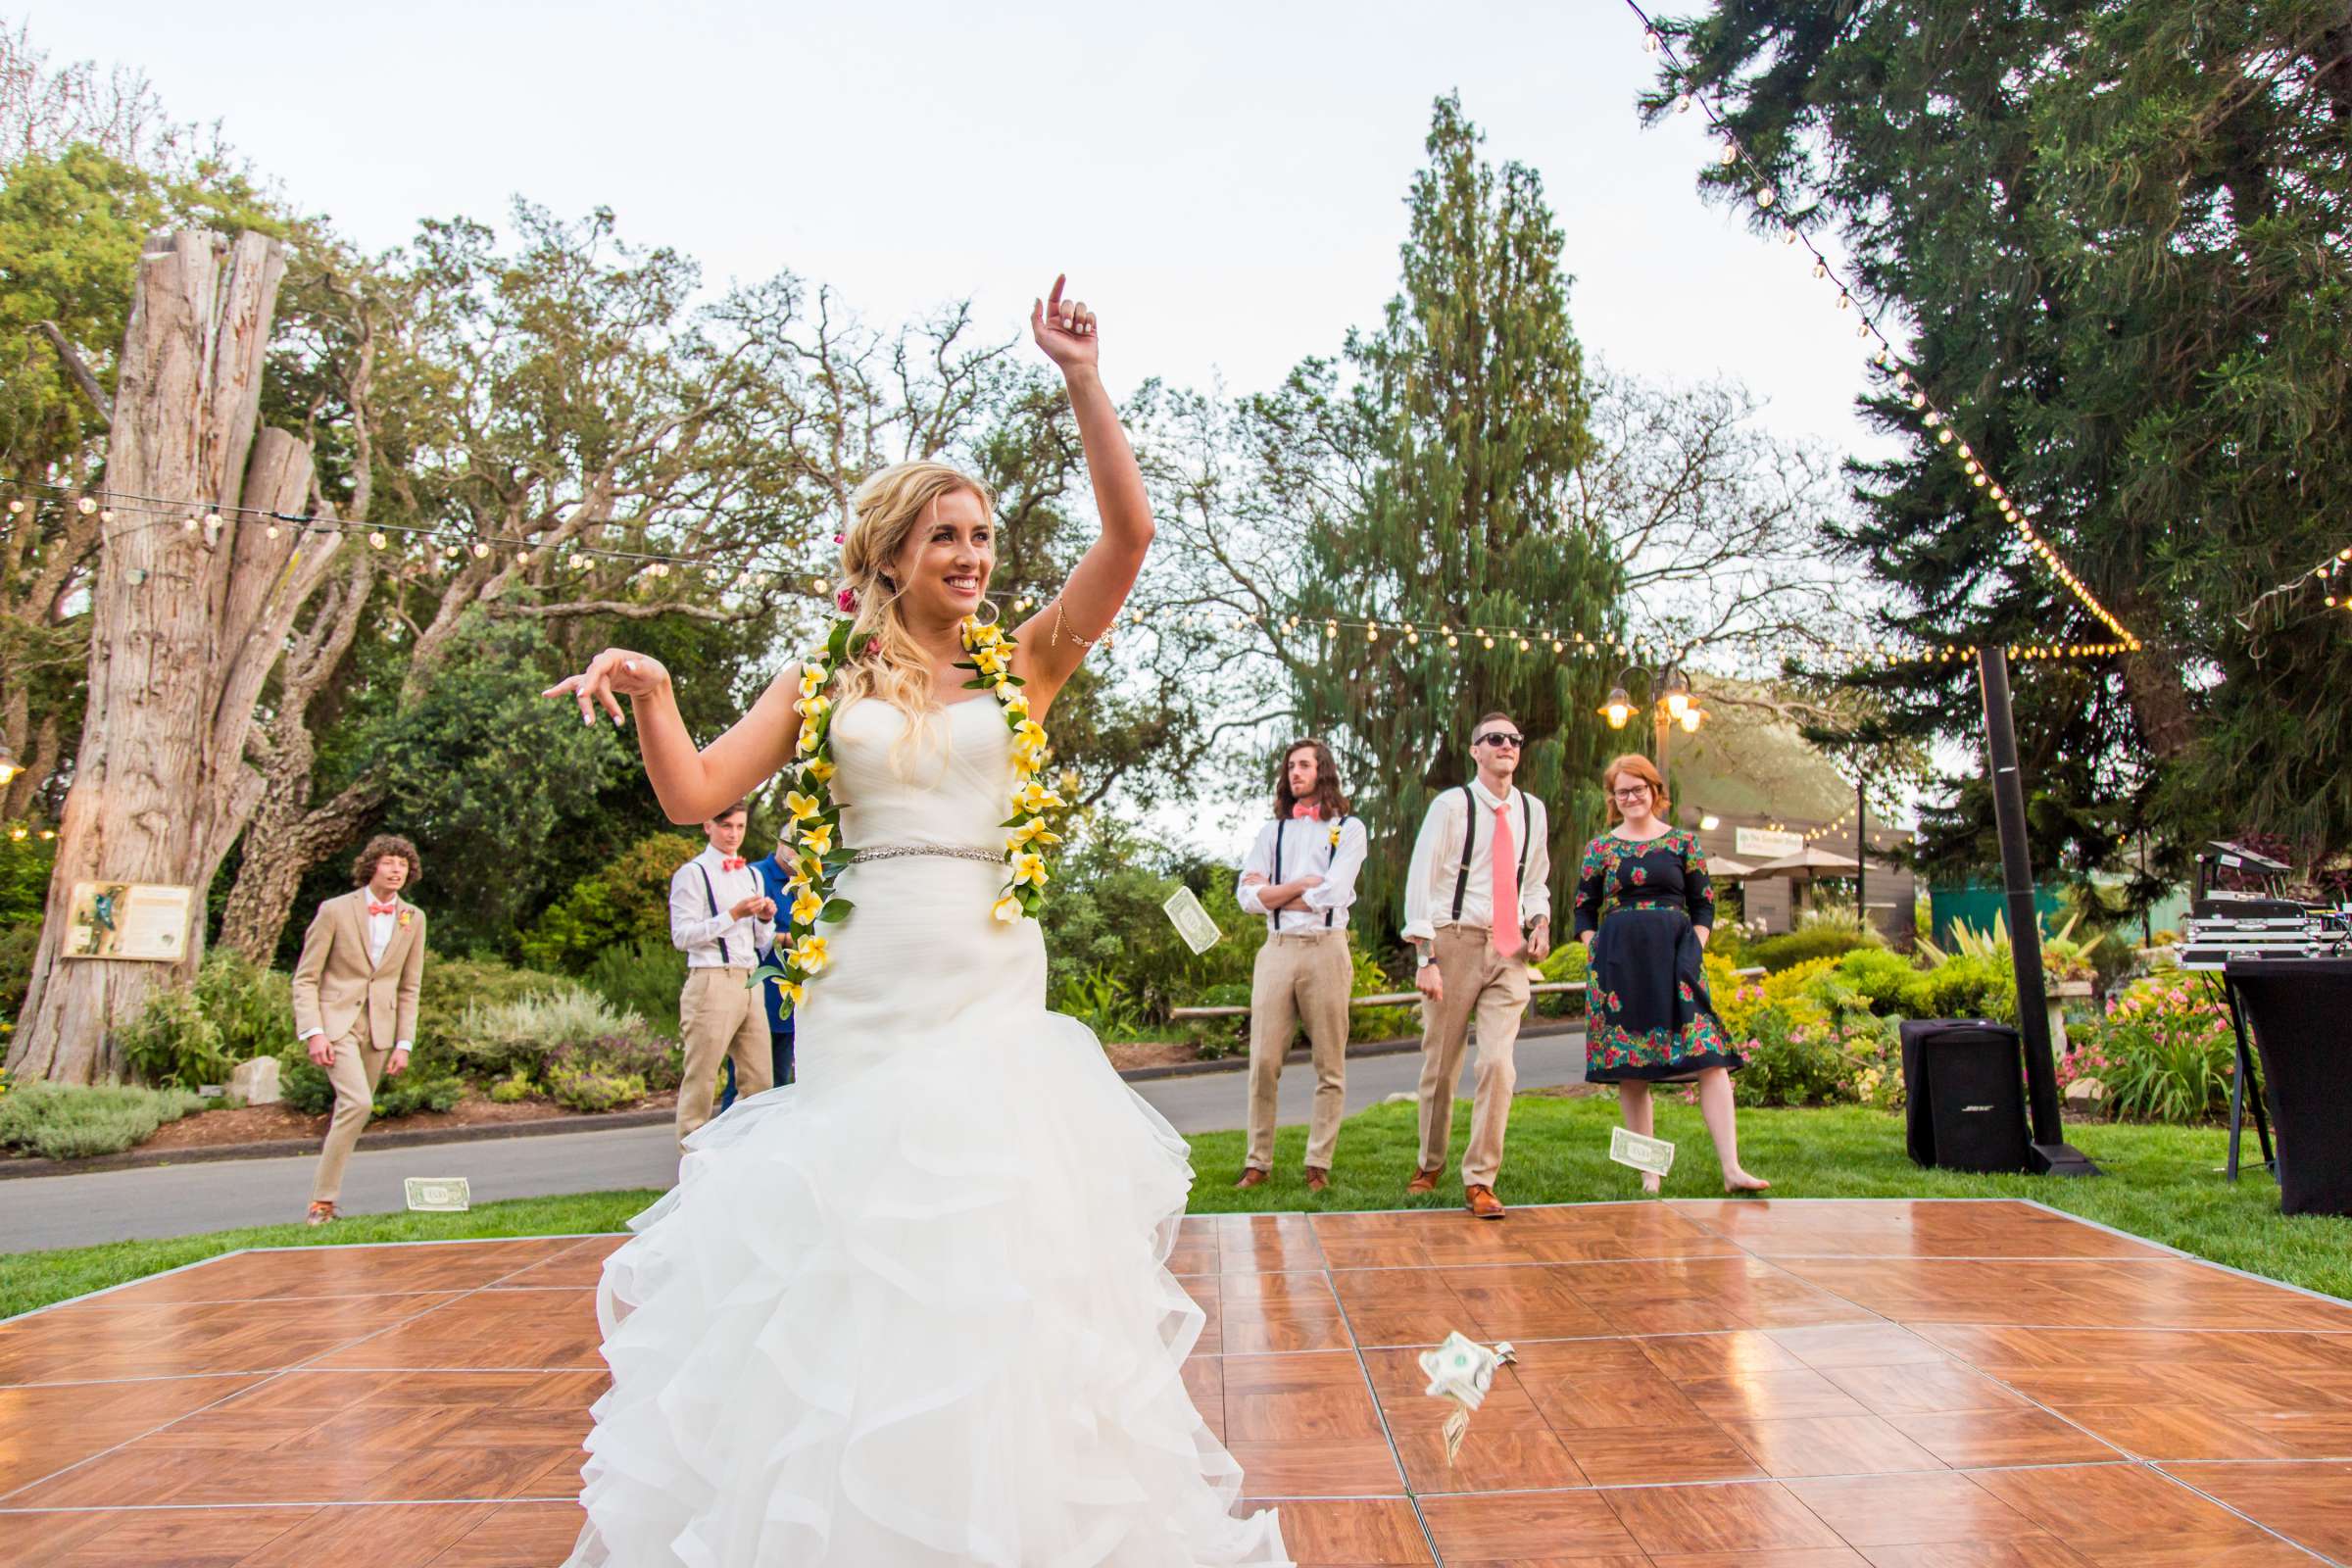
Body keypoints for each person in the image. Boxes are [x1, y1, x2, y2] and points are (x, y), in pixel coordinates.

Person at [543, 277, 1289, 1567]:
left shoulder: (1028, 664)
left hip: (989, 982)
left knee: (993, 1251)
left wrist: (1082, 380)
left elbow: (1127, 542)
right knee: (862, 1254)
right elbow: (696, 792)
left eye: (985, 537)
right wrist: (658, 691)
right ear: (889, 554)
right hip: (863, 984)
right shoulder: (822, 677)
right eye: (947, 536)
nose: (973, 558)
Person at [1575, 753, 1769, 1196]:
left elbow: (1704, 902)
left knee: (1711, 1058)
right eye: (1621, 791)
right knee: (1632, 1069)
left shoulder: (1683, 843)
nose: (1630, 798)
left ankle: (1732, 1169)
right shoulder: (1600, 849)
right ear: (1614, 798)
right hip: (1619, 966)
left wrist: (1694, 946)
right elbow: (1583, 910)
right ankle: (1650, 1176)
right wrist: (1596, 951)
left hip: (1679, 960)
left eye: (1638, 789)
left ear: (1655, 792)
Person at [1400, 711, 1552, 1220]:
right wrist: (1426, 957)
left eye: (1514, 738)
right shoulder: (1451, 806)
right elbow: (1421, 880)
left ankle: (1481, 1179)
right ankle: (1429, 1163)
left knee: (1498, 1066)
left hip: (1507, 948)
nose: (1506, 745)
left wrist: (1540, 920)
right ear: (1475, 750)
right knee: (1442, 1066)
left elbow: (1534, 880)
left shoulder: (1532, 810)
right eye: (1495, 739)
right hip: (1454, 941)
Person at [1233, 738, 1367, 1194]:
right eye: (1291, 766)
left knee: (1329, 1063)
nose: (1295, 773)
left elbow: (1333, 892)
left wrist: (1275, 890)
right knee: (1263, 1061)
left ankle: (1318, 1163)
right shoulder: (1271, 833)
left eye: (1304, 765)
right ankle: (1258, 1162)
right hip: (1277, 949)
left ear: (1322, 771)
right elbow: (1246, 897)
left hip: (1326, 947)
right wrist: (1297, 885)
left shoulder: (1349, 829)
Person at [290, 835, 427, 1226]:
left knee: (350, 1112)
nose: (396, 869)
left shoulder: (413, 918)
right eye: (389, 862)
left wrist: (404, 1042)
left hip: (380, 1030)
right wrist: (313, 1032)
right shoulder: (334, 910)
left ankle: (323, 1200)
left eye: (403, 863)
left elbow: (409, 985)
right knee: (358, 1103)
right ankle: (323, 1204)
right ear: (371, 866)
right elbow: (305, 979)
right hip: (336, 1023)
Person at [668, 801, 777, 1147]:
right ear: (708, 826)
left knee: (760, 1080)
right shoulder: (693, 873)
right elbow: (682, 936)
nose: (734, 835)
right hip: (711, 979)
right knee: (702, 1077)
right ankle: (691, 1159)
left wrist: (763, 919)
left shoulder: (752, 875)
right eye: (727, 826)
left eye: (740, 827)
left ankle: (742, 1156)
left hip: (750, 979)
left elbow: (761, 941)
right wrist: (732, 914)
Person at [720, 819, 799, 1112]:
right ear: (781, 844)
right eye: (796, 850)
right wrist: (793, 939)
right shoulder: (755, 876)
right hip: (762, 990)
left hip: (794, 996)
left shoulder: (806, 881)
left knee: (783, 1077)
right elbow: (747, 934)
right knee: (746, 1077)